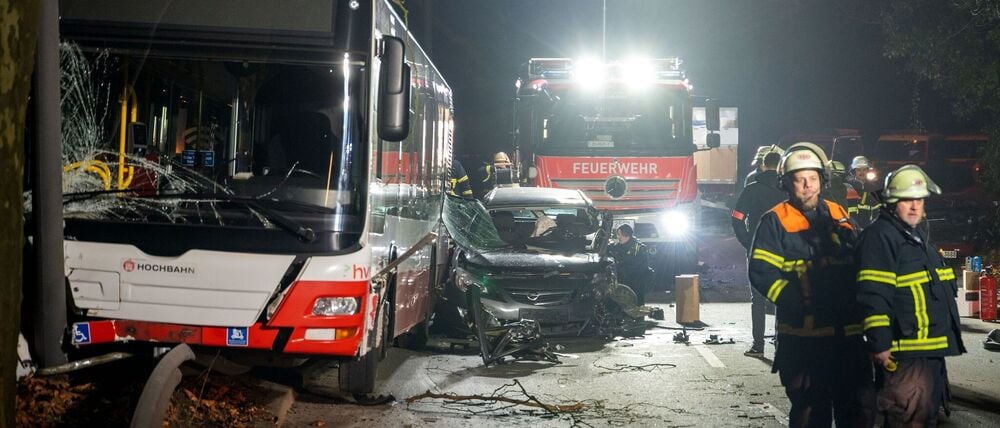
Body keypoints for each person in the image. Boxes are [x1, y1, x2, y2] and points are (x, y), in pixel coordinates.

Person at [748, 142, 875, 427]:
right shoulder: (775, 221)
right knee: (810, 414)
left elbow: (859, 261)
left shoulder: (839, 214)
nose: (807, 186)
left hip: (848, 338)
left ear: (822, 180)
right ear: (786, 183)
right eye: (799, 179)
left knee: (859, 411)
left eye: (813, 178)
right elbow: (761, 272)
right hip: (803, 341)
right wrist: (797, 301)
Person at [855, 165, 966, 427]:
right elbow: (873, 293)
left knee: (923, 419)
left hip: (928, 351)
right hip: (903, 354)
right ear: (892, 202)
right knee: (906, 420)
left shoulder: (914, 237)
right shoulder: (881, 237)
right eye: (907, 200)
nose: (915, 206)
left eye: (919, 199)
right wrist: (880, 344)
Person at [731, 150, 787, 357]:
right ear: (780, 166)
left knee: (758, 299)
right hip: (783, 250)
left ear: (763, 165)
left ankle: (758, 346)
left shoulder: (751, 189)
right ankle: (781, 344)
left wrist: (747, 242)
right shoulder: (788, 190)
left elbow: (737, 217)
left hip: (758, 249)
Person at [608, 224, 652, 306]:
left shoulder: (638, 247)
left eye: (620, 234)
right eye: (618, 234)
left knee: (636, 305)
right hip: (623, 283)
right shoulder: (618, 246)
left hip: (636, 283)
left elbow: (632, 264)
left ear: (627, 234)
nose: (618, 237)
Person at [847, 155, 882, 229]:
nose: (861, 172)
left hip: (869, 227)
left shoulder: (873, 188)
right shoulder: (848, 186)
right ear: (854, 171)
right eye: (858, 170)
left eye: (864, 170)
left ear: (868, 170)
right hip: (851, 227)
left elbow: (877, 210)